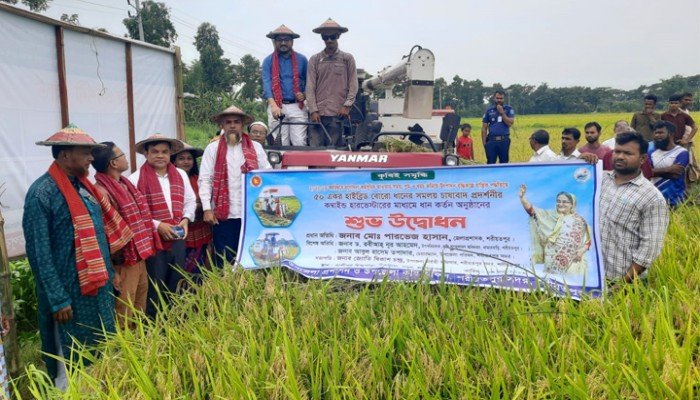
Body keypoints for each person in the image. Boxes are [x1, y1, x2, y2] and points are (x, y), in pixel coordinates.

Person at [23, 125, 131, 388]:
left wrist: (110, 271)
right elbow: (39, 252)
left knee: (101, 349)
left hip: (98, 288)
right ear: (64, 156)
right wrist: (58, 299)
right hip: (69, 295)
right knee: (71, 359)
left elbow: (98, 237)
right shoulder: (42, 193)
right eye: (86, 153)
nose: (92, 159)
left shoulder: (85, 188)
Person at [91, 142, 160, 328]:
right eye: (122, 155)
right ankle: (124, 352)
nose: (126, 158)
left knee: (139, 308)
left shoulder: (125, 184)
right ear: (113, 163)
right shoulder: (101, 192)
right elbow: (105, 235)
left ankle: (139, 349)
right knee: (124, 312)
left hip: (138, 256)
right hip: (123, 261)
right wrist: (112, 269)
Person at [129, 135, 196, 317]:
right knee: (155, 284)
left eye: (164, 152)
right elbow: (134, 213)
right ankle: (154, 325)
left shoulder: (180, 174)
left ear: (170, 154)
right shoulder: (135, 179)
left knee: (177, 280)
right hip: (152, 242)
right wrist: (157, 225)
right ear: (146, 153)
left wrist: (185, 219)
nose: (160, 156)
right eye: (155, 152)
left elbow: (190, 201)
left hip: (177, 237)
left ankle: (176, 322)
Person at [200, 106, 272, 267]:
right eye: (228, 122)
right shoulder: (212, 149)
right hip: (223, 216)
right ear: (222, 126)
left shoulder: (256, 147)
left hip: (251, 214)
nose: (232, 126)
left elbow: (267, 176)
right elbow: (205, 179)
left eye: (236, 122)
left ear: (242, 125)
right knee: (224, 260)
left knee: (253, 258)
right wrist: (206, 208)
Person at [598, 131, 669, 282]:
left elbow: (649, 249)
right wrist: (581, 161)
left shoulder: (651, 197)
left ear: (642, 159)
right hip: (591, 277)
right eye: (617, 151)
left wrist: (622, 286)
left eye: (628, 153)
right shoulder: (600, 180)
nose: (620, 156)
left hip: (622, 282)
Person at [306, 18, 358, 147]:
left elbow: (353, 84)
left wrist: (347, 105)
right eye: (325, 37)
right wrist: (313, 110)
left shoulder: (347, 58)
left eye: (332, 37)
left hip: (337, 113)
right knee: (315, 151)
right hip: (318, 114)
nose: (329, 40)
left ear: (338, 36)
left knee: (334, 152)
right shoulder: (315, 59)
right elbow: (310, 86)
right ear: (322, 38)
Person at [518, 185, 591, 275]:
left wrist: (581, 251)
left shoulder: (580, 220)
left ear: (572, 204)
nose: (560, 204)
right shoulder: (549, 215)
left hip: (572, 260)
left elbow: (588, 240)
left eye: (565, 202)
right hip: (551, 257)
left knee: (567, 285)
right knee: (550, 281)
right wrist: (522, 198)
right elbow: (532, 211)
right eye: (558, 201)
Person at [261, 25, 308, 146]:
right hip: (277, 105)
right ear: (274, 42)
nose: (283, 43)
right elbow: (267, 84)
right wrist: (274, 106)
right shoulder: (268, 61)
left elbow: (310, 82)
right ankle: (280, 165)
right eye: (279, 40)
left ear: (292, 41)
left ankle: (299, 165)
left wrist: (305, 94)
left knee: (299, 142)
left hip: (297, 106)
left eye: (286, 40)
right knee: (280, 143)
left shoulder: (302, 59)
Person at [171, 142, 212, 277]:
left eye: (189, 159)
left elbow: (207, 200)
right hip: (181, 228)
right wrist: (198, 205)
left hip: (201, 228)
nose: (186, 162)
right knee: (181, 264)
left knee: (199, 264)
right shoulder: (170, 180)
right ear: (174, 161)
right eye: (181, 158)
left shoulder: (199, 179)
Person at [649, 121, 689, 207]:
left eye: (660, 133)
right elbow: (645, 172)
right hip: (654, 199)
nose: (657, 136)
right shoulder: (651, 152)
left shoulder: (682, 152)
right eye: (655, 133)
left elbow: (676, 174)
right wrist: (668, 170)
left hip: (676, 199)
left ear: (670, 134)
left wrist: (653, 172)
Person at [481, 90, 515, 164]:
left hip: (504, 140)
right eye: (497, 98)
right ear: (494, 98)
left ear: (504, 99)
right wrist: (485, 144)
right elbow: (484, 128)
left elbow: (510, 123)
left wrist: (502, 113)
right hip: (491, 141)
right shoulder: (489, 110)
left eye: (501, 98)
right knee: (490, 163)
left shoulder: (508, 109)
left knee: (504, 163)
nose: (499, 100)